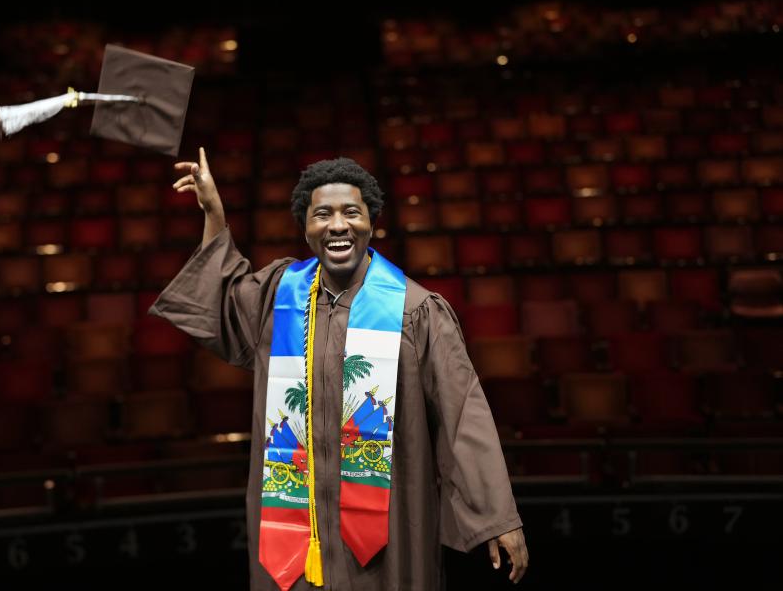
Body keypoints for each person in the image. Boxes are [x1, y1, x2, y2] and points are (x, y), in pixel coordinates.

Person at [148, 147, 529, 590]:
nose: (337, 225)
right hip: (295, 537)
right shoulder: (279, 297)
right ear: (306, 227)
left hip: (388, 535)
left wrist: (497, 515)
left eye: (351, 212)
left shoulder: (415, 311)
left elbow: (462, 414)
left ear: (372, 220)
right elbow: (222, 298)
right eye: (321, 214)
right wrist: (214, 213)